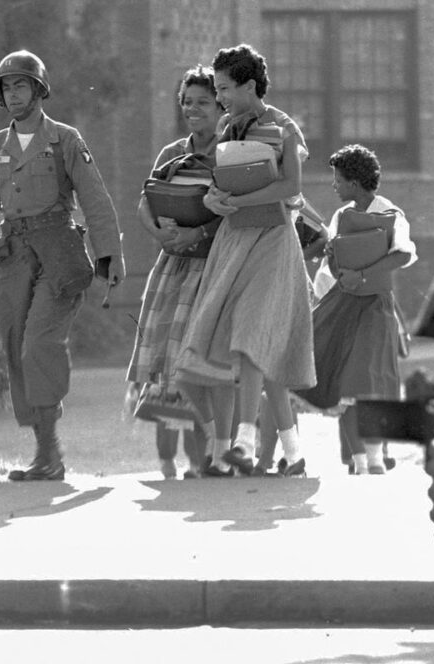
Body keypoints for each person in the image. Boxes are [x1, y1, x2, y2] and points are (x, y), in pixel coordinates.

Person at [0, 49, 124, 482]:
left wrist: (110, 255)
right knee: (13, 344)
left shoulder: (64, 139)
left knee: (38, 344)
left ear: (39, 90)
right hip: (13, 254)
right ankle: (42, 449)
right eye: (7, 88)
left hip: (59, 252)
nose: (13, 95)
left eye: (21, 85)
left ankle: (51, 453)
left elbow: (95, 198)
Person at [174, 43, 315, 477]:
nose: (220, 98)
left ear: (250, 85)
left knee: (253, 336)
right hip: (234, 243)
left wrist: (240, 197)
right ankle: (294, 455)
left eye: (224, 88)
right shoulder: (229, 128)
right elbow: (219, 182)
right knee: (258, 345)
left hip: (273, 240)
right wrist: (216, 199)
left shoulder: (282, 127)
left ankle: (245, 441)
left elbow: (291, 184)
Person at [127, 65, 234, 479]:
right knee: (167, 364)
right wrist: (159, 232)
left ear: (221, 106)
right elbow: (145, 200)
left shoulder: (230, 151)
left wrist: (198, 232)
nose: (193, 109)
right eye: (187, 102)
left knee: (201, 364)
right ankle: (172, 461)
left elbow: (234, 211)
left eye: (203, 102)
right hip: (173, 267)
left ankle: (207, 458)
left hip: (213, 268)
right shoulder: (171, 153)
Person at [298, 144, 416, 474]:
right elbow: (333, 257)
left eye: (338, 180)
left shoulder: (390, 212)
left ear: (353, 181)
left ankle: (375, 457)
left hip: (376, 304)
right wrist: (341, 271)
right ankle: (358, 459)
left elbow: (403, 254)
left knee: (372, 377)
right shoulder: (341, 216)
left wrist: (364, 274)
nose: (333, 186)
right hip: (344, 301)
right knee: (345, 378)